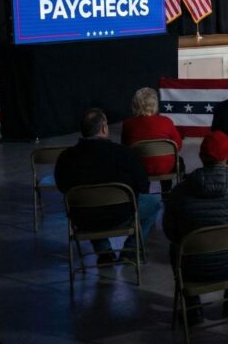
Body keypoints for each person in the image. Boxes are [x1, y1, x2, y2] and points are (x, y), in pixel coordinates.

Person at [163, 131, 228, 324]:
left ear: (201, 157)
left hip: (192, 270)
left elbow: (170, 232)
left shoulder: (179, 192)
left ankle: (192, 308)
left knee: (175, 247)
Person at [55, 108, 160, 263]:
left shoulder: (66, 158)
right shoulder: (123, 153)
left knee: (90, 206)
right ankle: (130, 250)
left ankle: (104, 251)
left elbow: (62, 186)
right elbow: (143, 185)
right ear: (104, 128)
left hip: (84, 219)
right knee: (154, 203)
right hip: (121, 215)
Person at [122, 87, 183, 194]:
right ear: (155, 104)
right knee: (176, 160)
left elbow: (125, 148)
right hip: (166, 167)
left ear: (135, 104)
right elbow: (178, 146)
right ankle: (166, 193)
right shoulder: (166, 121)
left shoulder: (128, 124)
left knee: (139, 162)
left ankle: (143, 195)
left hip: (140, 168)